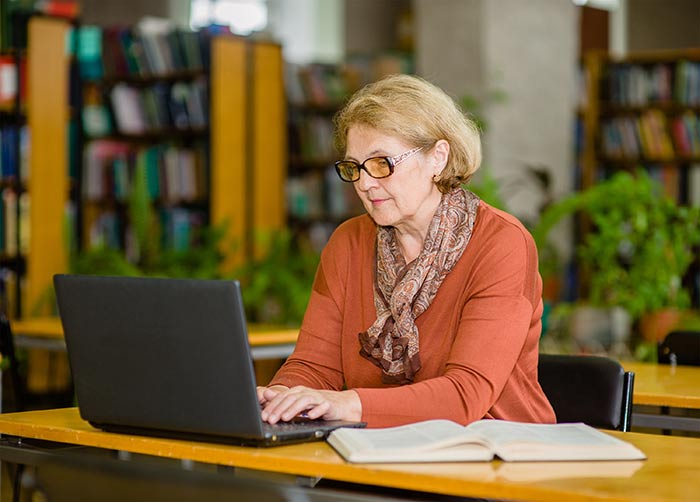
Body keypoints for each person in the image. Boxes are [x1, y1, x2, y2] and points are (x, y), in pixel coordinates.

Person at [257, 74, 555, 428]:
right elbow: (313, 367)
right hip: (375, 451)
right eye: (354, 167)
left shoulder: (501, 244)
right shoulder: (348, 243)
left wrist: (346, 404)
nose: (365, 184)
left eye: (382, 163)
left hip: (495, 458)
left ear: (437, 158)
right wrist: (280, 399)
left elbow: (465, 396)